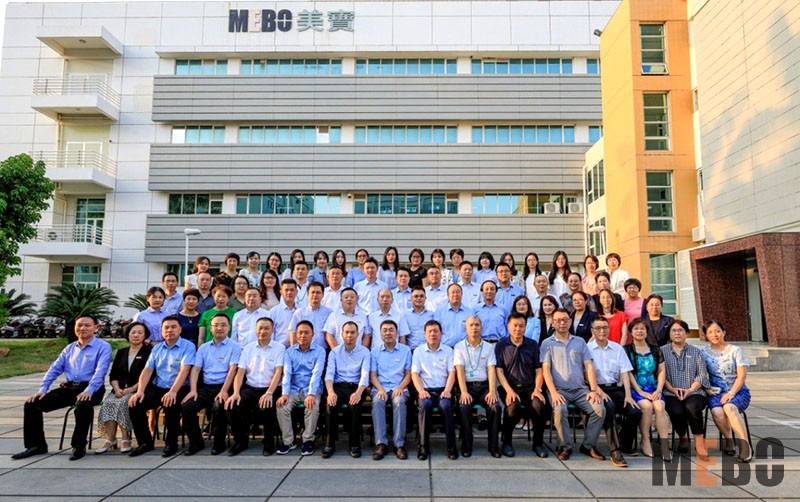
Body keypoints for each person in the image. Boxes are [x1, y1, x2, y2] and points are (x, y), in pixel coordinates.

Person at [12, 315, 112, 461]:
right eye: (79, 325)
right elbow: (54, 369)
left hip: (92, 388)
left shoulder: (103, 347)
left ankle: (78, 446)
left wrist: (89, 390)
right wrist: (43, 389)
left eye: (87, 325)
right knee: (32, 404)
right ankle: (36, 446)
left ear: (95, 328)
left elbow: (100, 372)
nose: (82, 328)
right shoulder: (70, 348)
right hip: (69, 388)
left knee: (83, 406)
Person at [540, 308, 606, 461]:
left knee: (599, 409)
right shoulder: (547, 343)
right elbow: (546, 370)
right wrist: (553, 393)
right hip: (559, 390)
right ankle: (565, 447)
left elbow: (588, 366)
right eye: (558, 320)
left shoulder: (580, 342)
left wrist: (593, 390)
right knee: (560, 409)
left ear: (570, 322)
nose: (562, 323)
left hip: (580, 390)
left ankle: (588, 446)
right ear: (552, 323)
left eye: (565, 320)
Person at [128, 316, 196, 457]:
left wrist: (173, 391)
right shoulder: (157, 348)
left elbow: (185, 370)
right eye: (166, 328)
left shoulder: (188, 346)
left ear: (180, 329)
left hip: (179, 388)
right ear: (162, 331)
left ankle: (171, 444)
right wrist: (140, 391)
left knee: (171, 404)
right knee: (136, 404)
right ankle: (145, 442)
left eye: (173, 327)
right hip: (158, 388)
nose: (169, 330)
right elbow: (147, 371)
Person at [181, 313, 241, 456]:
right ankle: (196, 442)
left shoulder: (235, 347)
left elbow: (233, 370)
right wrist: (193, 390)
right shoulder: (203, 348)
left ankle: (219, 444)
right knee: (187, 406)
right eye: (216, 325)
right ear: (210, 328)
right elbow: (195, 370)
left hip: (224, 387)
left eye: (223, 325)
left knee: (220, 406)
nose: (219, 328)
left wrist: (224, 391)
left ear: (229, 328)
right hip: (205, 387)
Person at [226, 317, 285, 456]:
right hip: (250, 388)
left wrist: (269, 393)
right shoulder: (248, 348)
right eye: (260, 328)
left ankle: (269, 442)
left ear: (272, 330)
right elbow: (240, 372)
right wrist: (236, 392)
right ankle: (240, 441)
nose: (263, 331)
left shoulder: (279, 348)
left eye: (266, 328)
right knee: (233, 405)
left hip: (271, 389)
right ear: (255, 330)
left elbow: (278, 372)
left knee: (267, 406)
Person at [588, 316, 641, 468]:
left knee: (635, 411)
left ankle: (625, 443)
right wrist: (598, 390)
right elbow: (586, 374)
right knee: (609, 408)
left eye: (605, 327)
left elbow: (625, 372)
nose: (602, 331)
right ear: (592, 331)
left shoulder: (617, 348)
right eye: (598, 328)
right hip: (596, 388)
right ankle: (615, 450)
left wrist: (628, 395)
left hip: (615, 388)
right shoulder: (587, 349)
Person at [495, 312, 549, 458]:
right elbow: (499, 371)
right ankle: (507, 442)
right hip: (509, 387)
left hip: (530, 387)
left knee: (539, 405)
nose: (518, 329)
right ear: (508, 326)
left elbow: (538, 370)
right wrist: (509, 390)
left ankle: (538, 443)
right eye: (515, 326)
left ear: (525, 327)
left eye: (521, 326)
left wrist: (537, 389)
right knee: (513, 406)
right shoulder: (501, 345)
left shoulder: (532, 345)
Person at [95, 322, 152, 455]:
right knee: (108, 402)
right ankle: (111, 439)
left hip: (138, 389)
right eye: (133, 332)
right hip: (119, 389)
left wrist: (131, 389)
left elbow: (149, 375)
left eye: (140, 333)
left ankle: (126, 438)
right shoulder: (122, 352)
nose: (136, 335)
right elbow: (113, 374)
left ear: (145, 335)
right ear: (128, 335)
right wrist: (116, 389)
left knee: (123, 403)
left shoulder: (149, 352)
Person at [701, 320, 752, 462]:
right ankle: (729, 440)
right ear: (706, 335)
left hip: (737, 391)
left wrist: (731, 393)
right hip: (716, 392)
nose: (714, 335)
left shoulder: (735, 351)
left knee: (729, 407)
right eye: (710, 332)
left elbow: (742, 376)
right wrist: (707, 388)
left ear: (723, 332)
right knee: (717, 411)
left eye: (717, 331)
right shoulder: (703, 352)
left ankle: (745, 446)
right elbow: (700, 374)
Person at [276, 320, 326, 456]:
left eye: (306, 333)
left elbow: (317, 374)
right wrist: (284, 394)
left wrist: (311, 394)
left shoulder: (320, 351)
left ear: (312, 335)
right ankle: (288, 441)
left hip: (312, 388)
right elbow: (287, 373)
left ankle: (308, 440)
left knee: (312, 405)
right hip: (293, 388)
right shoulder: (289, 352)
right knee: (281, 406)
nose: (303, 335)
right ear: (296, 335)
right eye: (300, 333)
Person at [322, 322, 371, 459]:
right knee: (331, 405)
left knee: (354, 406)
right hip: (338, 387)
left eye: (352, 332)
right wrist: (331, 392)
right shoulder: (334, 352)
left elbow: (365, 375)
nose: (349, 335)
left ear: (358, 334)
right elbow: (329, 374)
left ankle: (354, 445)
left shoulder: (365, 352)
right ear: (342, 334)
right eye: (347, 332)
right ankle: (329, 445)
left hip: (356, 387)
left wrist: (358, 393)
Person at [662, 319, 710, 459]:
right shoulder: (662, 351)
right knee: (676, 411)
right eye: (674, 330)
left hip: (694, 392)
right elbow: (660, 374)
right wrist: (672, 390)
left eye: (680, 330)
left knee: (692, 407)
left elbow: (702, 374)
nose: (677, 333)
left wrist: (689, 390)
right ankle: (683, 436)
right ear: (669, 334)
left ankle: (699, 443)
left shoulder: (696, 352)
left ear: (687, 333)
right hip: (670, 392)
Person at [455, 315, 502, 458]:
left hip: (484, 387)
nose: (474, 328)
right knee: (464, 407)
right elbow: (459, 371)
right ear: (466, 328)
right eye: (471, 325)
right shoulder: (459, 347)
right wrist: (463, 392)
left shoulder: (488, 347)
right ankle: (466, 446)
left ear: (481, 328)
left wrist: (492, 391)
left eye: (477, 325)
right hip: (467, 387)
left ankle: (493, 446)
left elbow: (491, 370)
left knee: (495, 407)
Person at [625, 318, 670, 460]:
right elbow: (628, 373)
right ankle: (645, 440)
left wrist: (659, 390)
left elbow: (661, 371)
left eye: (642, 328)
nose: (639, 331)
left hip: (654, 388)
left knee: (660, 406)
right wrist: (640, 391)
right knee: (647, 406)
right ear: (631, 332)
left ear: (646, 331)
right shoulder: (627, 350)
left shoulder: (656, 349)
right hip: (636, 388)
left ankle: (664, 444)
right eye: (636, 329)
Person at [412, 320, 457, 460]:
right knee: (425, 405)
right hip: (425, 391)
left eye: (436, 331)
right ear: (425, 334)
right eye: (430, 331)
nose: (433, 334)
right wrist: (421, 390)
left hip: (443, 390)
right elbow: (415, 374)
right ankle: (423, 446)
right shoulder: (418, 351)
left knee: (446, 406)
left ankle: (451, 446)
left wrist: (448, 390)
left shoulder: (448, 351)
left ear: (441, 334)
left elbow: (452, 373)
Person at [370, 320, 413, 460]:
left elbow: (408, 374)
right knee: (377, 401)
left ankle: (399, 444)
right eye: (384, 330)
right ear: (380, 334)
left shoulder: (405, 350)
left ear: (397, 333)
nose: (388, 333)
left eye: (391, 330)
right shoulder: (374, 352)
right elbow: (373, 375)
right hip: (380, 387)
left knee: (399, 401)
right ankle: (381, 444)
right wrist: (380, 389)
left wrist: (400, 387)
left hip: (399, 387)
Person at [289, 282, 333, 350]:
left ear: (323, 295)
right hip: (304, 350)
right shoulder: (300, 313)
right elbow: (293, 332)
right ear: (307, 294)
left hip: (324, 350)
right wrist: (294, 351)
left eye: (318, 292)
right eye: (312, 292)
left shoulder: (329, 313)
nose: (315, 295)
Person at [434, 283, 473, 348]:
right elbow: (436, 330)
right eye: (453, 292)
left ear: (462, 294)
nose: (455, 294)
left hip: (464, 348)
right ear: (448, 295)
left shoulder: (469, 312)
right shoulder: (439, 312)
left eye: (458, 292)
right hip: (445, 347)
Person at [268, 278, 300, 347]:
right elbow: (270, 334)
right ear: (281, 292)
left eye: (292, 290)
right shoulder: (273, 312)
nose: (289, 292)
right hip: (279, 348)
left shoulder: (301, 310)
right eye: (286, 290)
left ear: (296, 292)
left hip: (298, 349)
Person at [406, 286, 434, 351]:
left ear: (425, 298)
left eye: (421, 296)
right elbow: (403, 336)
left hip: (428, 350)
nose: (419, 298)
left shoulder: (432, 315)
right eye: (416, 296)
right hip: (411, 350)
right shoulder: (405, 315)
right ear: (411, 298)